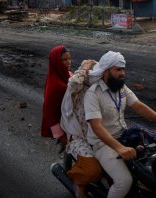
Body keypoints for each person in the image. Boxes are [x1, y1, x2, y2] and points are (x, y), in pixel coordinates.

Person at [84, 51, 156, 198]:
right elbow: (97, 127)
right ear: (106, 71)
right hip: (102, 144)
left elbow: (139, 106)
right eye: (118, 69)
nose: (123, 73)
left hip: (123, 135)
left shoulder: (121, 88)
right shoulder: (93, 94)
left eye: (123, 69)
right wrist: (119, 148)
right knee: (124, 181)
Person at [60, 60, 102, 198]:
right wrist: (85, 67)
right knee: (93, 170)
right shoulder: (78, 88)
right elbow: (73, 83)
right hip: (80, 137)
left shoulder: (101, 88)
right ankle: (79, 185)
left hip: (100, 134)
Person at [41, 45, 71, 145]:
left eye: (69, 58)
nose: (68, 62)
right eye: (64, 60)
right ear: (56, 62)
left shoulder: (66, 74)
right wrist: (60, 135)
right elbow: (48, 111)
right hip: (64, 127)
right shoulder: (55, 84)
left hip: (70, 122)